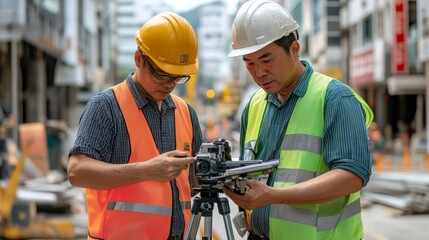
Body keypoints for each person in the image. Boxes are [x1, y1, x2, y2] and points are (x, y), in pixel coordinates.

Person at [223, 1, 374, 239]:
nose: (259, 72)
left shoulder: (335, 98)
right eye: (249, 63)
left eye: (266, 60)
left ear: (294, 49)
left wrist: (273, 195)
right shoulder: (254, 105)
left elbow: (352, 176)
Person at [67, 12, 203, 240]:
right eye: (161, 75)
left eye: (178, 77)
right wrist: (146, 171)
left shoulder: (186, 113)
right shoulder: (106, 106)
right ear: (139, 59)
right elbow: (76, 172)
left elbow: (194, 182)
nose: (169, 84)